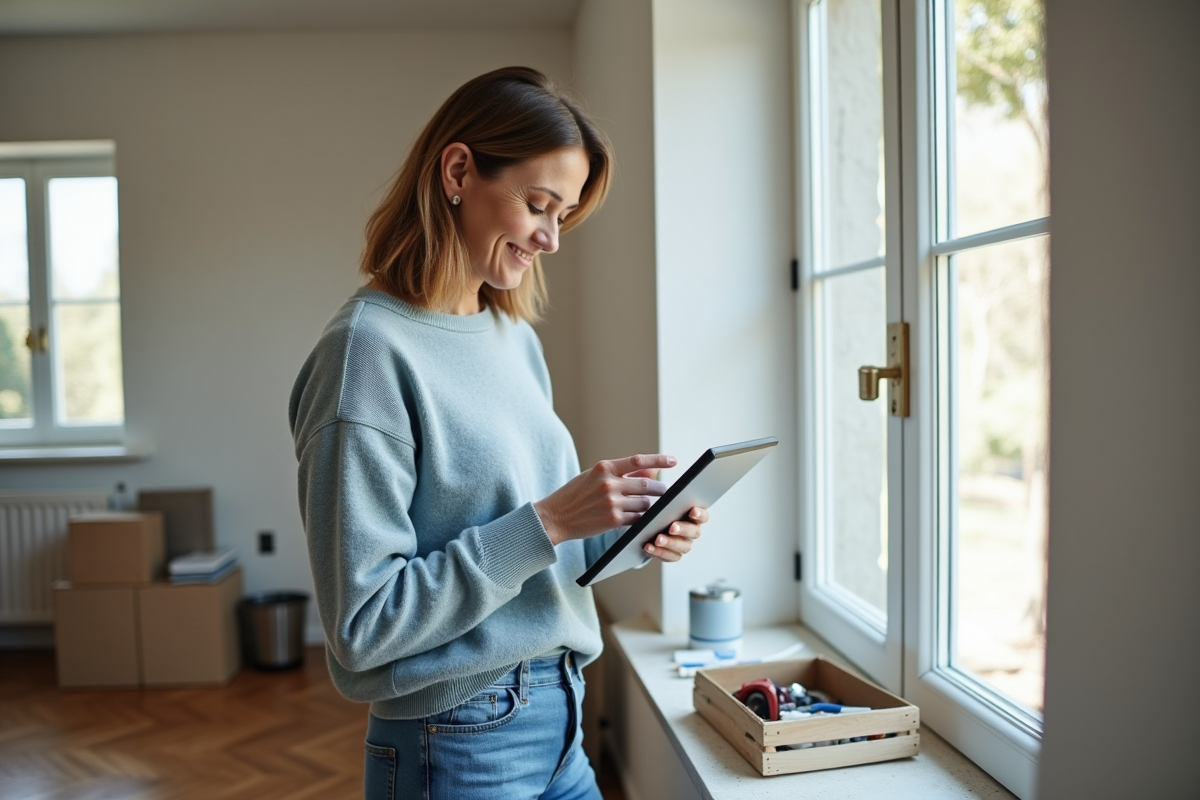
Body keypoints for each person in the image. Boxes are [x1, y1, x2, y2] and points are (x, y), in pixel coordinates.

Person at [288, 66, 709, 800]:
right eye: (538, 205)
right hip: (454, 740)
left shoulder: (512, 337)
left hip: (560, 719)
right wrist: (550, 521)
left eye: (563, 215)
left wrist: (631, 534)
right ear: (458, 172)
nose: (551, 238)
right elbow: (363, 625)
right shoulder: (366, 355)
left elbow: (534, 554)